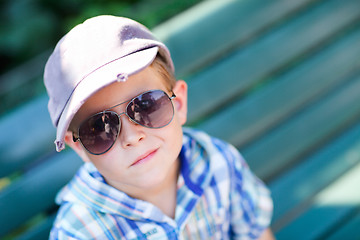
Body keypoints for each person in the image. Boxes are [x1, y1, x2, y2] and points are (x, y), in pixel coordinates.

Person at [44, 15, 274, 239]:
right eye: (99, 128)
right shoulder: (80, 232)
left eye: (147, 106)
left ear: (180, 103)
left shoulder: (219, 162)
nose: (132, 137)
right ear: (79, 147)